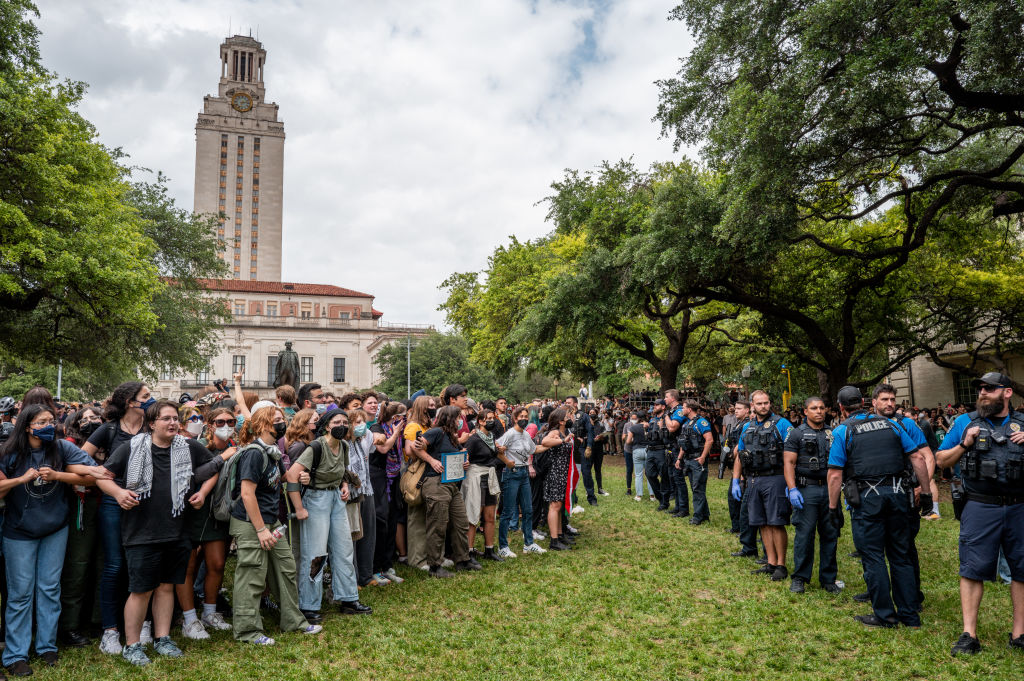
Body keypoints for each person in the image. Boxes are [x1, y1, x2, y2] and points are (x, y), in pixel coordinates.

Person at [97, 400, 228, 666]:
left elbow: (214, 468)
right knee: (141, 590)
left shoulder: (189, 447)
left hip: (177, 530)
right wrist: (119, 493)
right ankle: (132, 645)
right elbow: (102, 476)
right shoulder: (131, 448)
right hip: (141, 531)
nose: (172, 423)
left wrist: (202, 492)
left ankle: (163, 638)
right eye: (166, 418)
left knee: (167, 587)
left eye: (175, 419)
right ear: (152, 423)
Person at [0, 405, 109, 675]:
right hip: (19, 532)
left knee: (50, 589)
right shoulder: (9, 453)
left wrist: (60, 475)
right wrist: (20, 479)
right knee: (20, 594)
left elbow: (93, 475)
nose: (50, 425)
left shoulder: (61, 449)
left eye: (51, 420)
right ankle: (16, 655)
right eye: (42, 422)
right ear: (27, 426)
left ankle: (47, 647)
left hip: (55, 529)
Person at [936, 372, 1024, 655]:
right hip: (980, 504)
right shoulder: (964, 422)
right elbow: (941, 459)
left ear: (1007, 393)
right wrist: (964, 445)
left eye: (989, 388)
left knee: (1022, 569)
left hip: (1019, 505)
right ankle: (969, 634)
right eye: (980, 389)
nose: (983, 393)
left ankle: (1020, 633)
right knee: (972, 569)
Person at [827, 385, 928, 629]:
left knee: (873, 558)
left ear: (841, 407)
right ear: (864, 402)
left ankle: (885, 616)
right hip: (897, 497)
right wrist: (925, 493)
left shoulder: (843, 431)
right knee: (901, 556)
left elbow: (834, 475)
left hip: (866, 501)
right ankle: (910, 615)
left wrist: (832, 508)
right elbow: (917, 458)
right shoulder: (892, 424)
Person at [227, 405, 322, 645]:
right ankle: (248, 631)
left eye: (283, 419)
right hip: (251, 522)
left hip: (272, 520)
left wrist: (301, 477)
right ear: (262, 425)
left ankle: (293, 621)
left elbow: (279, 479)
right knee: (252, 575)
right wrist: (260, 530)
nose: (283, 424)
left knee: (286, 568)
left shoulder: (273, 452)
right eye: (277, 420)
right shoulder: (254, 453)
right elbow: (247, 494)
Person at [80, 381, 151, 655]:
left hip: (146, 503)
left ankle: (142, 623)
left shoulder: (150, 426)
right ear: (130, 401)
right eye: (145, 396)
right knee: (114, 565)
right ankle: (110, 631)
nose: (150, 400)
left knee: (143, 563)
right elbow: (80, 459)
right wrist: (104, 475)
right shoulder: (108, 429)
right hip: (112, 501)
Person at [285, 407, 369, 621]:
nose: (341, 426)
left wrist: (343, 485)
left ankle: (349, 599)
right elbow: (291, 476)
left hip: (336, 499)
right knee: (316, 554)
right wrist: (299, 508)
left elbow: (341, 469)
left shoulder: (343, 446)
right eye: (336, 422)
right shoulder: (315, 447)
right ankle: (308, 605)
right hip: (315, 500)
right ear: (326, 426)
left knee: (344, 549)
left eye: (344, 422)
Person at [731, 390, 794, 581]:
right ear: (753, 406)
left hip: (775, 478)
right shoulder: (747, 427)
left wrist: (791, 483)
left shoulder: (781, 424)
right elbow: (740, 456)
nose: (764, 406)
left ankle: (781, 565)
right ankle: (771, 562)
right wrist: (736, 479)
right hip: (753, 480)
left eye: (766, 402)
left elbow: (791, 454)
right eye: (759, 404)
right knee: (763, 523)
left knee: (776, 522)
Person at [57, 406, 104, 648]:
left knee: (102, 564)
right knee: (78, 565)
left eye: (94, 417)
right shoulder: (69, 445)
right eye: (84, 419)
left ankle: (97, 619)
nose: (90, 422)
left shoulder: (109, 438)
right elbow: (70, 472)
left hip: (107, 507)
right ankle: (69, 625)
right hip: (81, 507)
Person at [783, 397, 841, 594]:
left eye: (822, 408)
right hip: (806, 490)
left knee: (830, 534)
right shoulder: (796, 434)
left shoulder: (833, 433)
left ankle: (828, 579)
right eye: (814, 408)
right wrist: (792, 489)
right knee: (804, 535)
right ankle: (800, 577)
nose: (819, 411)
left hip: (829, 490)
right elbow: (789, 463)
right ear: (805, 411)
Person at [415, 406, 477, 577]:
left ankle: (462, 560)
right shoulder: (436, 432)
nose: (461, 421)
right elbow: (417, 447)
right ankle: (434, 566)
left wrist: (464, 462)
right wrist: (432, 461)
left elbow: (455, 456)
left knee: (461, 522)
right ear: (450, 418)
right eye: (459, 418)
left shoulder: (452, 436)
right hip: (436, 483)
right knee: (438, 525)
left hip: (452, 484)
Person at [496, 407, 547, 558]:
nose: (524, 418)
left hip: (524, 472)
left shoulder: (525, 434)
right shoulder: (510, 433)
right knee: (507, 512)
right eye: (521, 416)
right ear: (515, 418)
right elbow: (497, 448)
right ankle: (503, 546)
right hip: (512, 473)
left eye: (526, 416)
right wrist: (507, 461)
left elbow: (534, 449)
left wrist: (550, 445)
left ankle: (529, 544)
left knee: (528, 510)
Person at [369, 402, 407, 585]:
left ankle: (387, 565)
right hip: (378, 476)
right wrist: (396, 433)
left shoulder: (394, 429)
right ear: (393, 417)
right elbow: (383, 448)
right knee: (381, 522)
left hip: (394, 475)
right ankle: (375, 568)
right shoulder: (377, 428)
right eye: (400, 416)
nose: (403, 420)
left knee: (393, 519)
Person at [671, 397, 713, 525]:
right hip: (688, 459)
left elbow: (709, 439)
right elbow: (684, 443)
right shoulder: (686, 424)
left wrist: (703, 457)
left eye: (683, 407)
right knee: (695, 487)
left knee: (698, 488)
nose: (681, 410)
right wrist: (679, 458)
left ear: (689, 409)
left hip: (697, 459)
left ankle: (697, 517)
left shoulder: (701, 422)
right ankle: (704, 514)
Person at [645, 400, 671, 511]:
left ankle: (664, 502)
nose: (654, 406)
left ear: (663, 407)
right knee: (649, 474)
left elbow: (669, 435)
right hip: (650, 450)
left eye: (657, 405)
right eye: (654, 405)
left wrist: (662, 427)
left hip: (661, 450)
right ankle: (660, 497)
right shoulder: (652, 419)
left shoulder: (667, 418)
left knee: (664, 476)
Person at [625, 411, 650, 501]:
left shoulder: (633, 427)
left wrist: (633, 439)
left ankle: (639, 495)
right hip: (648, 450)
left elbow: (628, 442)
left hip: (637, 450)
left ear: (638, 418)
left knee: (638, 474)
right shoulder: (649, 426)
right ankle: (652, 496)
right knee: (649, 474)